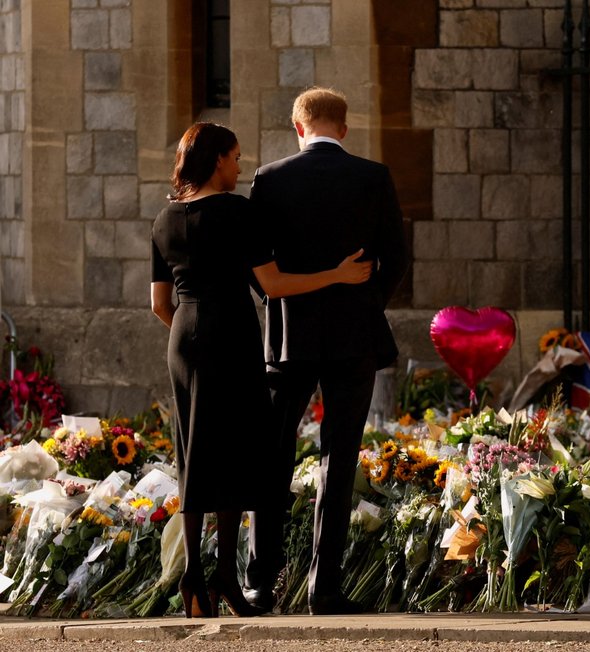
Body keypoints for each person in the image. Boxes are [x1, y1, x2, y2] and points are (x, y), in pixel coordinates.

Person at [150, 122, 373, 619]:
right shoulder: (236, 212)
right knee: (236, 449)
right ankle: (226, 574)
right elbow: (273, 285)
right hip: (231, 335)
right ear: (215, 162)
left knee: (193, 447)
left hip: (182, 336)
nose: (239, 166)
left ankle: (194, 578)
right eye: (233, 157)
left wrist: (190, 331)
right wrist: (336, 274)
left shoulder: (165, 218)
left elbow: (158, 303)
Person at [244, 87, 407, 615]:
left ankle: (260, 583)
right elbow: (397, 259)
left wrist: (281, 309)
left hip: (289, 338)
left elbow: (256, 268)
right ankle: (324, 587)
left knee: (272, 456)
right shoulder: (373, 177)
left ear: (298, 128)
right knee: (338, 460)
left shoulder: (269, 179)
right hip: (353, 337)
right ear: (343, 127)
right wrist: (364, 302)